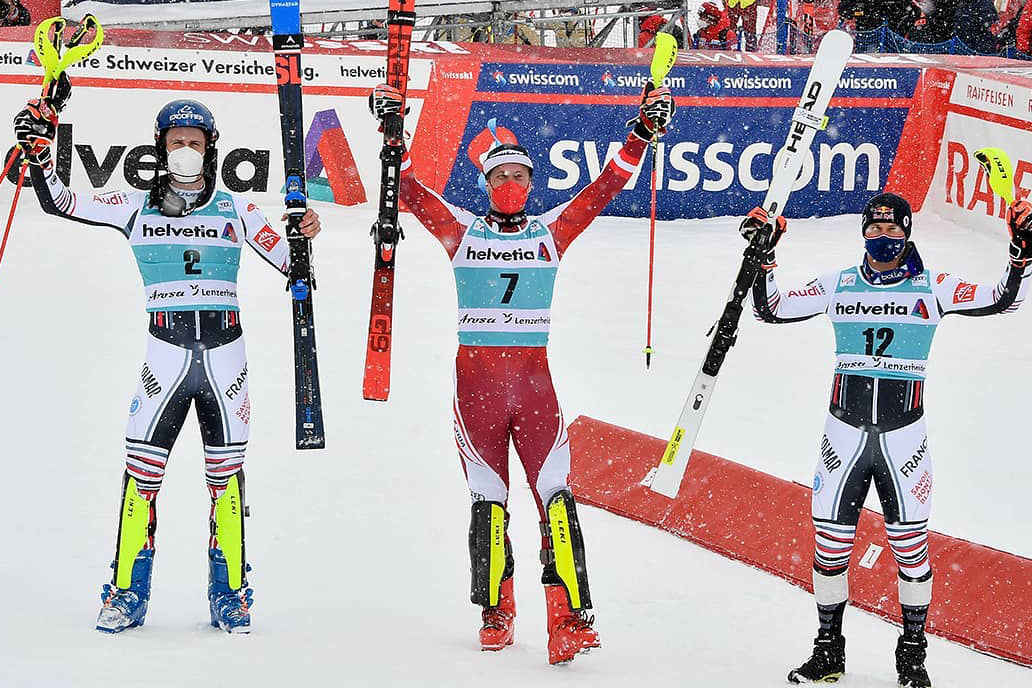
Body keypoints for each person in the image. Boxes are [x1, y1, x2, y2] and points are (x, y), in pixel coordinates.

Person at [368, 82, 674, 664]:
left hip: (536, 392)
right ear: (485, 184)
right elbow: (407, 190)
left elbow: (604, 188)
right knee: (488, 502)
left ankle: (569, 618)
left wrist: (642, 131)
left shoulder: (550, 233)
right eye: (499, 176)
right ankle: (497, 610)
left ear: (531, 185)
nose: (509, 185)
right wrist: (392, 133)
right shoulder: (462, 232)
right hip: (476, 392)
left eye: (518, 176)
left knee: (556, 500)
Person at [13, 91, 322, 634]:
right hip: (165, 356)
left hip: (227, 360)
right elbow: (61, 201)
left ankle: (230, 594)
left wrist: (304, 234)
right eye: (176, 142)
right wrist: (40, 155)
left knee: (226, 477)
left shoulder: (238, 208)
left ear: (210, 150)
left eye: (195, 143)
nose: (186, 150)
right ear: (161, 147)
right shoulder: (136, 205)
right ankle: (128, 592)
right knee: (142, 472)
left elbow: (294, 268)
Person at [743, 192, 1032, 687]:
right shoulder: (840, 285)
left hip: (904, 443)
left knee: (911, 554)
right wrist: (764, 258)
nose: (882, 239)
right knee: (829, 550)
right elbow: (770, 309)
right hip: (843, 440)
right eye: (873, 231)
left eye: (892, 231)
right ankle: (829, 650)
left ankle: (912, 657)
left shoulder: (932, 286)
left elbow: (1001, 299)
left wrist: (1020, 254)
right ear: (862, 233)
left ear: (907, 232)